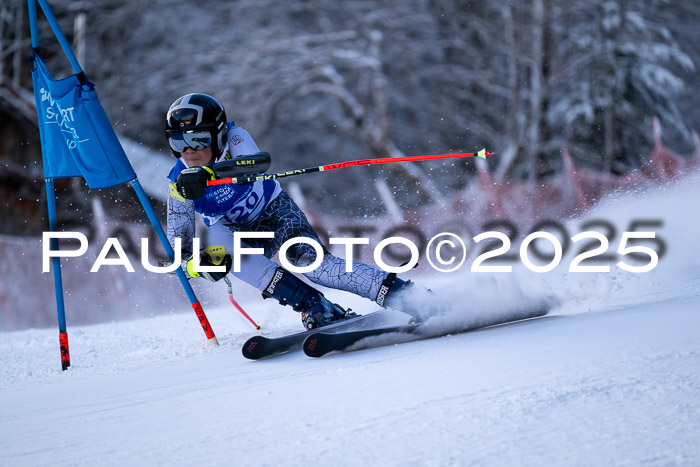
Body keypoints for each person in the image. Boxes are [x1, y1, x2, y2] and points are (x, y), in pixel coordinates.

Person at [165, 92, 425, 329]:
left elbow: (257, 164)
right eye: (178, 141)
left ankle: (405, 296)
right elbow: (179, 251)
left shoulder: (235, 138)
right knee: (232, 258)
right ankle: (316, 306)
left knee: (316, 267)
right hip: (234, 231)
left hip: (273, 211)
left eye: (198, 139)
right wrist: (199, 266)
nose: (188, 150)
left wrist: (209, 173)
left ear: (218, 134)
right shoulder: (179, 183)